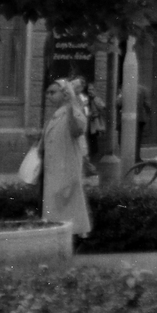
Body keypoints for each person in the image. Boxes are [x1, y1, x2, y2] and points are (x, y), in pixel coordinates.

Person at [41, 78, 93, 239]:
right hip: (55, 169)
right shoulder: (55, 115)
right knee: (57, 209)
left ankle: (73, 237)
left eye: (53, 92)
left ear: (64, 94)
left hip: (66, 169)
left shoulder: (73, 111)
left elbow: (77, 129)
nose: (49, 96)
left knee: (68, 209)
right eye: (47, 93)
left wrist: (71, 104)